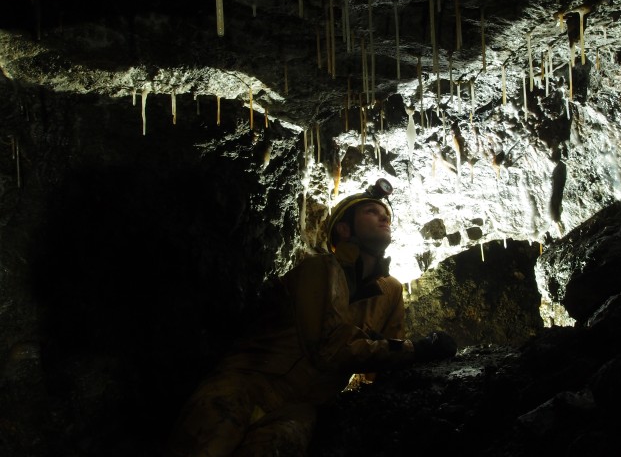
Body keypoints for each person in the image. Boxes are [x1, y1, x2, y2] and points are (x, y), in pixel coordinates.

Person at [165, 178, 457, 456]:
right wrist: (415, 349)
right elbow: (330, 348)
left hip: (300, 409)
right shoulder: (320, 269)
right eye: (372, 211)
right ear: (344, 230)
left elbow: (381, 367)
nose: (384, 219)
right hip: (248, 383)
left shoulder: (390, 292)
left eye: (386, 215)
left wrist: (409, 356)